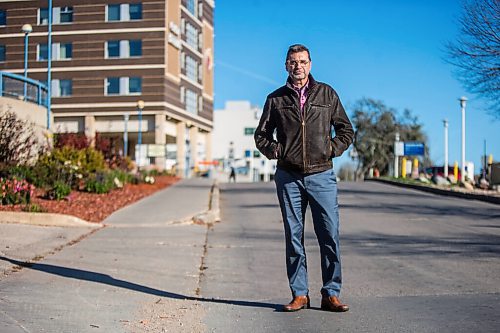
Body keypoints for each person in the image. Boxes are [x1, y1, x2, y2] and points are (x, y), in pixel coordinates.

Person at [254, 44, 354, 312]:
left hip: (322, 175)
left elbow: (346, 130)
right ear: (286, 65)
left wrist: (330, 149)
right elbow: (261, 135)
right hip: (289, 177)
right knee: (294, 237)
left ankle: (331, 293)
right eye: (292, 62)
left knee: (329, 234)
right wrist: (276, 150)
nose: (298, 66)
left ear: (310, 64)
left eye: (302, 61)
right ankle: (300, 294)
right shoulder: (275, 99)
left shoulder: (327, 94)